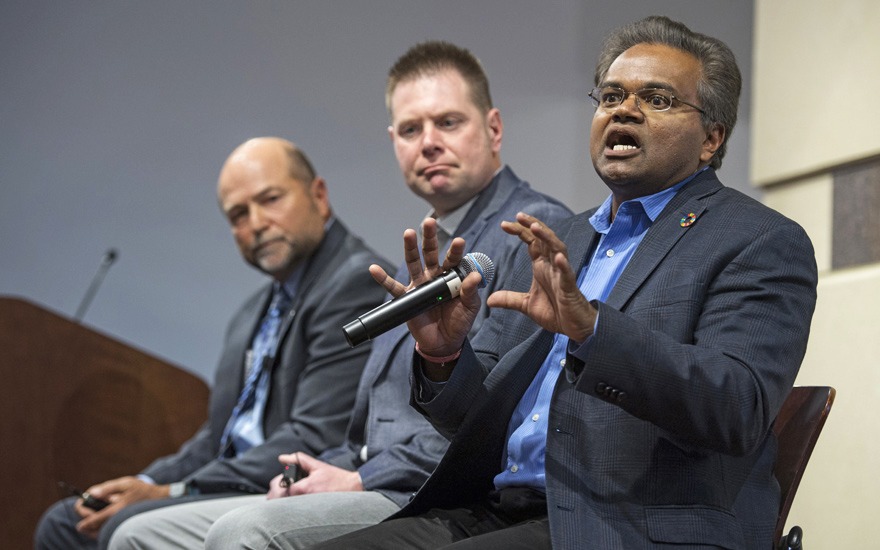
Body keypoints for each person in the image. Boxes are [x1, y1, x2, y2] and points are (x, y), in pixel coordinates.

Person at [312, 16, 819, 550]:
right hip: (494, 508)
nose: (624, 110)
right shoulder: (561, 240)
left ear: (711, 139)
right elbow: (471, 419)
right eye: (611, 96)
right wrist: (443, 357)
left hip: (624, 525)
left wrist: (595, 332)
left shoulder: (758, 240)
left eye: (658, 99)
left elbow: (736, 407)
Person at [106, 42, 571, 549]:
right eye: (411, 130)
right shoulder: (423, 245)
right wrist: (326, 470)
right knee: (137, 534)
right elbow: (372, 427)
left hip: (434, 495)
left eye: (449, 122)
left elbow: (494, 415)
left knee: (244, 533)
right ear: (394, 141)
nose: (429, 143)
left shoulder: (531, 230)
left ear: (493, 128)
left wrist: (359, 479)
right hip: (369, 477)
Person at [34, 137, 393, 549]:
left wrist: (175, 492)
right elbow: (218, 437)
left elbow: (313, 436)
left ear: (319, 195)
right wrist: (148, 481)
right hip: (234, 482)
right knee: (66, 523)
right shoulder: (252, 312)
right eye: (238, 214)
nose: (256, 223)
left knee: (125, 527)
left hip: (290, 487)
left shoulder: (356, 281)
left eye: (270, 199)